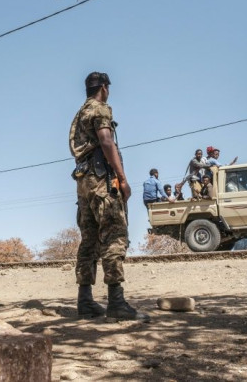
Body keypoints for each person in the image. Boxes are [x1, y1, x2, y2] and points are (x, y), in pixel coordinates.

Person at [69, 71, 149, 321]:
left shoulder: (79, 114)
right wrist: (122, 178)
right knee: (114, 234)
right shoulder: (101, 109)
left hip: (83, 183)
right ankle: (116, 302)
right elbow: (106, 141)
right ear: (104, 88)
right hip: (102, 180)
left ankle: (85, 301)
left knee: (89, 240)